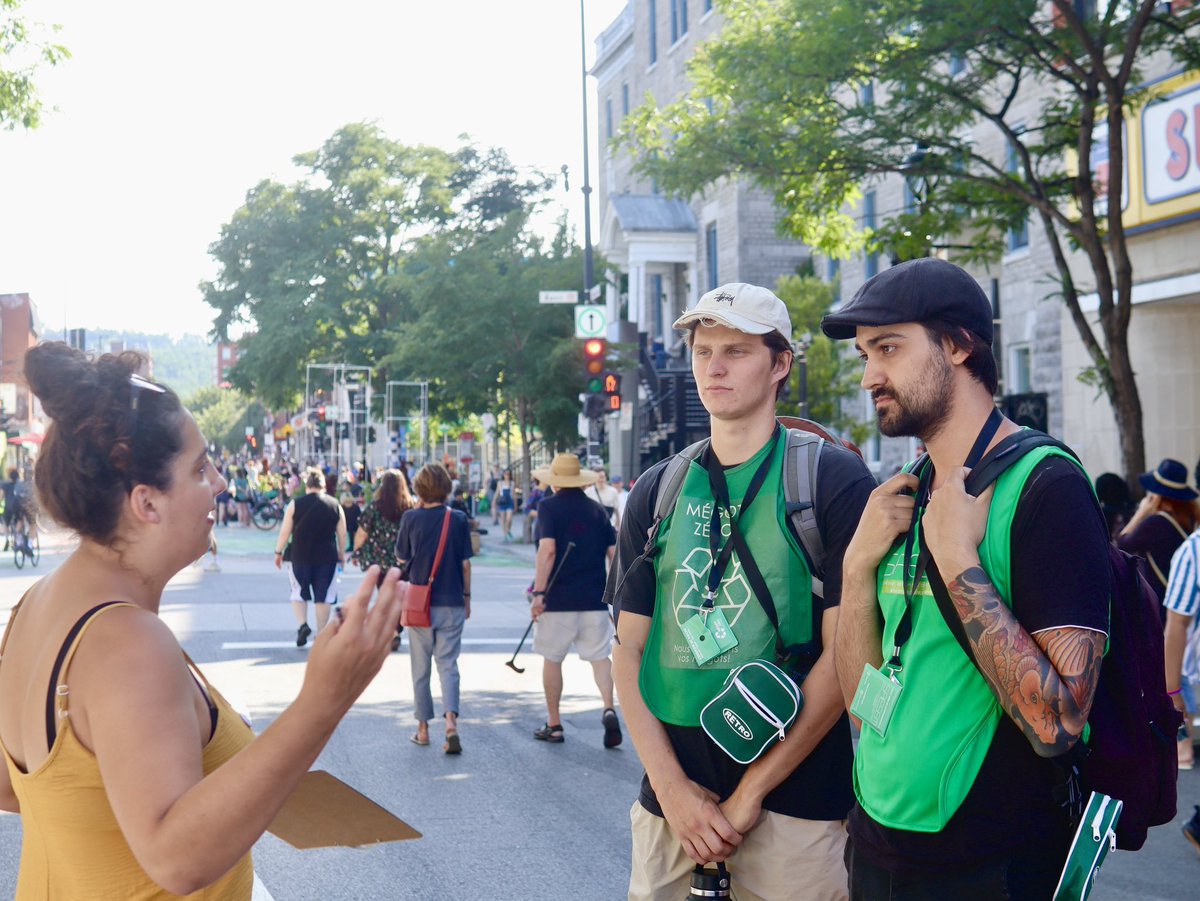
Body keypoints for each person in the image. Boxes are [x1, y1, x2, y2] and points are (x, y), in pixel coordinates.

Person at [0, 342, 401, 899]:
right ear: (147, 503)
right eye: (199, 468)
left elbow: (15, 787)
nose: (219, 482)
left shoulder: (36, 606)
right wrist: (324, 699)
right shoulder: (127, 641)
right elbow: (177, 861)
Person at [821, 257, 1111, 898]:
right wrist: (856, 568)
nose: (870, 375)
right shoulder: (905, 492)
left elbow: (1056, 725)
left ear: (957, 345)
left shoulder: (1046, 487)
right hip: (877, 846)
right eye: (867, 354)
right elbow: (866, 709)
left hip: (991, 864)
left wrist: (957, 560)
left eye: (889, 348)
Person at [610, 283, 874, 900]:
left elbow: (844, 658)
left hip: (796, 801)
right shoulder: (657, 489)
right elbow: (628, 651)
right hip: (671, 803)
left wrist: (750, 794)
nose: (714, 367)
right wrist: (673, 793)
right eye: (703, 352)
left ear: (781, 363)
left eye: (736, 351)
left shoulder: (831, 480)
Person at [528, 453, 621, 748]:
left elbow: (548, 552)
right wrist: (616, 592)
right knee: (599, 658)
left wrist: (538, 593)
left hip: (557, 599)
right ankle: (608, 707)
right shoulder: (596, 510)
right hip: (594, 597)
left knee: (552, 659)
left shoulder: (548, 508)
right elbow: (614, 552)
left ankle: (554, 723)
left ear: (555, 483)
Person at [396, 463, 473, 754]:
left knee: (420, 667)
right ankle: (451, 723)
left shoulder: (411, 518)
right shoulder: (459, 519)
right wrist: (467, 597)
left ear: (419, 488)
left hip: (419, 604)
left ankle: (423, 729)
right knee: (448, 664)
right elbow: (466, 564)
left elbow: (401, 557)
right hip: (452, 600)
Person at [274, 468, 346, 647]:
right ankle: (321, 635)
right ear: (323, 486)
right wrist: (341, 554)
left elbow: (285, 532)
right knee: (324, 597)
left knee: (298, 592)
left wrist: (278, 552)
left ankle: (302, 624)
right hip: (327, 557)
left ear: (308, 486)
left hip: (300, 556)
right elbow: (342, 534)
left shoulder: (295, 504)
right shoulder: (334, 504)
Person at [1117, 458, 1199, 604]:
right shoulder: (1192, 517)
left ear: (1156, 495)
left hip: (1165, 604)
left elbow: (1122, 543)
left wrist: (1141, 513)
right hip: (1189, 599)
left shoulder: (1155, 524)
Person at [353, 469, 415, 652]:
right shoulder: (410, 507)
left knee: (385, 595)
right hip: (404, 560)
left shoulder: (375, 507)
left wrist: (357, 552)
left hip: (379, 561)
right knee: (401, 596)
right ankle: (396, 629)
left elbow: (362, 533)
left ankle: (392, 632)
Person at [492, 468, 516, 541]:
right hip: (502, 502)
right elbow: (497, 492)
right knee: (503, 519)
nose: (507, 476)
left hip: (510, 501)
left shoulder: (512, 483)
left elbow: (514, 494)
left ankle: (508, 530)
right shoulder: (500, 483)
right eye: (505, 474)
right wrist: (494, 500)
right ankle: (505, 534)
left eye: (508, 474)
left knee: (509, 519)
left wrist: (516, 504)